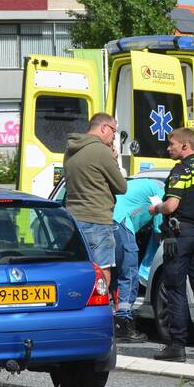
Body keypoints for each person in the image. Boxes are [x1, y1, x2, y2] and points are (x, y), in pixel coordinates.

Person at [154, 127, 194, 363]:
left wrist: (156, 208)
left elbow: (171, 205)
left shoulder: (180, 170)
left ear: (185, 146)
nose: (168, 148)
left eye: (171, 144)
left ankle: (177, 345)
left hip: (180, 234)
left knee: (175, 289)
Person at [63, 113, 127, 289]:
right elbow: (122, 187)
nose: (114, 137)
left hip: (73, 219)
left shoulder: (70, 150)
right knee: (102, 272)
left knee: (79, 270)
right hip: (97, 220)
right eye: (113, 131)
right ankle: (100, 309)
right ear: (104, 128)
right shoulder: (101, 151)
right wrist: (113, 160)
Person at [111, 177, 168, 343]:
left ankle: (113, 316)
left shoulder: (145, 184)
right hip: (121, 221)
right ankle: (123, 322)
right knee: (128, 272)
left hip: (105, 220)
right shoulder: (161, 191)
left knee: (113, 271)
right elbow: (159, 230)